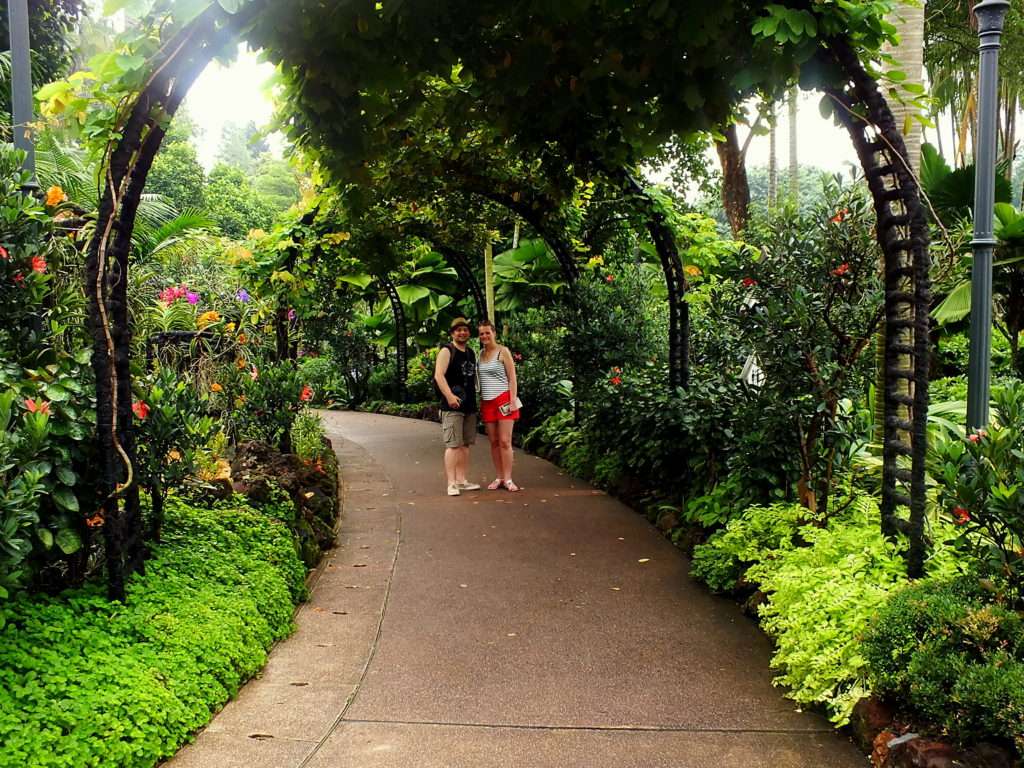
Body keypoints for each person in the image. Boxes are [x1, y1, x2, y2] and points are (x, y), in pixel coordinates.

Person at [433, 317, 481, 496]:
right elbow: (439, 375)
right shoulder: (447, 350)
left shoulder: (470, 352)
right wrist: (449, 396)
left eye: (465, 330)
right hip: (451, 405)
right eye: (458, 330)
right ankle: (451, 483)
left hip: (469, 405)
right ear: (452, 333)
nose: (462, 332)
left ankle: (461, 480)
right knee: (453, 444)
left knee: (465, 444)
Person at [476, 319, 521, 492]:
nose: (485, 336)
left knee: (505, 441)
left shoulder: (503, 352)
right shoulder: (480, 354)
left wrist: (512, 400)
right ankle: (499, 476)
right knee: (494, 441)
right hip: (487, 401)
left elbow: (512, 378)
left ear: (494, 333)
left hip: (503, 399)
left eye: (488, 332)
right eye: (481, 334)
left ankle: (508, 478)